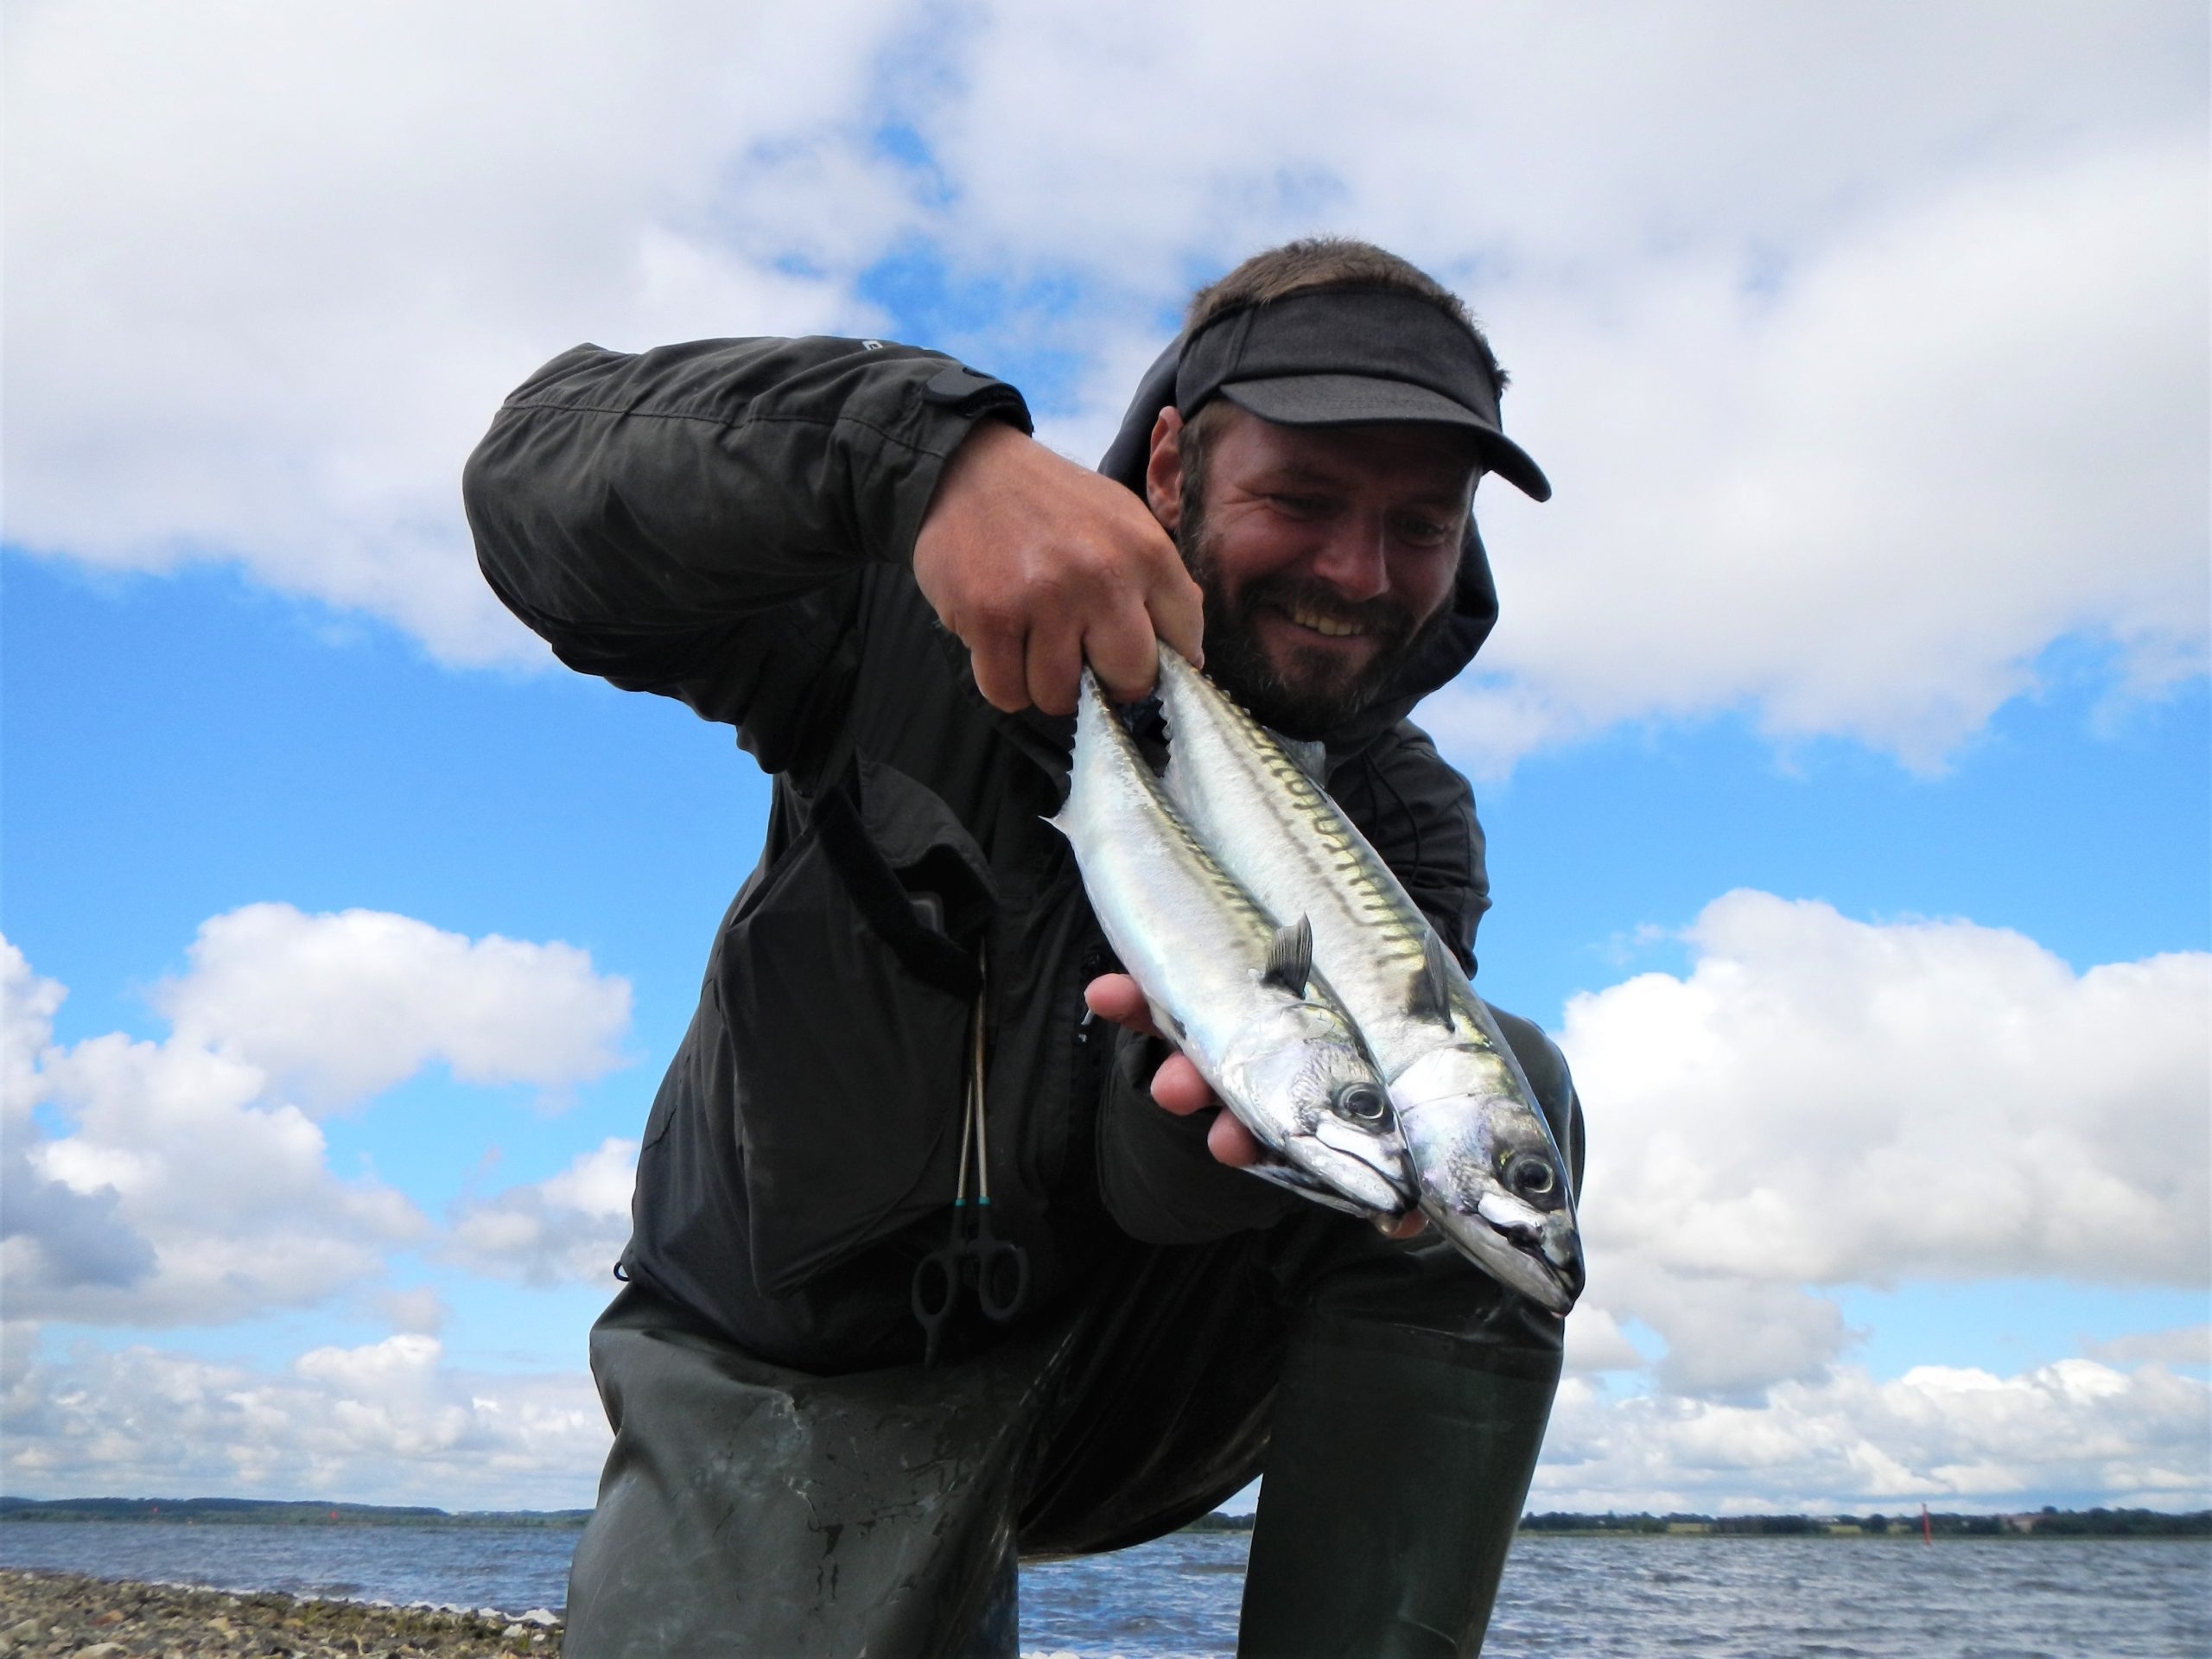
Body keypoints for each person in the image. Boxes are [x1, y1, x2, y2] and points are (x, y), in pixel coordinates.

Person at [464, 236, 1586, 1658]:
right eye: (1302, 499)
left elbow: (1170, 1197)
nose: (1359, 572)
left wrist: (1207, 1142)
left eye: (1422, 526)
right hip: (789, 1367)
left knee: (1504, 1100)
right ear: (1170, 469)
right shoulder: (909, 607)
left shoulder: (1405, 830)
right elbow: (531, 482)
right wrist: (925, 462)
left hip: (1112, 1383)